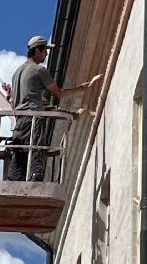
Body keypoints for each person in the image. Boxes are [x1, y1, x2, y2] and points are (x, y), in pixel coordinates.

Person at [7, 35, 101, 181]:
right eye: (45, 50)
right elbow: (59, 94)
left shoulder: (16, 73)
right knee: (36, 157)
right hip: (33, 120)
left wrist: (70, 113)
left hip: (20, 122)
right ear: (38, 50)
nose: (47, 54)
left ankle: (12, 185)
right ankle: (35, 182)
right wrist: (81, 89)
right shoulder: (38, 70)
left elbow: (32, 102)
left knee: (19, 158)